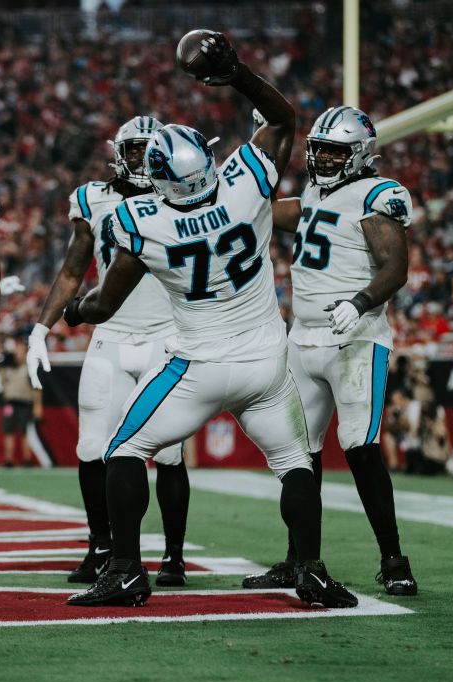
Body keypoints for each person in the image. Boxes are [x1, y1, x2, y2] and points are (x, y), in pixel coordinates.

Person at [64, 31, 356, 609]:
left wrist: (76, 311)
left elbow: (105, 302)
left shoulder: (141, 219)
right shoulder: (246, 186)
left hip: (196, 364)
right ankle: (310, 569)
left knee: (123, 452)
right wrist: (236, 72)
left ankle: (124, 569)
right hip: (266, 362)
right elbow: (284, 118)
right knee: (295, 462)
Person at [246, 104, 418, 596]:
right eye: (317, 148)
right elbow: (263, 212)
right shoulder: (318, 192)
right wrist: (253, 153)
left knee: (361, 449)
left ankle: (393, 559)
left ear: (360, 154)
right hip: (302, 338)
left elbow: (395, 266)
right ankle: (300, 559)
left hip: (355, 337)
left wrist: (361, 301)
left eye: (333, 151)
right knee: (298, 455)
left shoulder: (377, 195)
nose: (321, 158)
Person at [24, 115, 193, 588]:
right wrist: (41, 327)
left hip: (168, 336)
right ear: (118, 153)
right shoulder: (92, 199)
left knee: (170, 455)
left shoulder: (183, 195)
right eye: (135, 150)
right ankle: (101, 546)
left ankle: (173, 556)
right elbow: (75, 267)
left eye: (151, 149)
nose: (143, 159)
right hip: (110, 336)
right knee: (92, 447)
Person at [0, 338, 41, 467]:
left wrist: (37, 406)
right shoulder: (7, 367)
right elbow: (3, 382)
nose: (18, 353)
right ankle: (8, 459)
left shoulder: (29, 368)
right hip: (10, 403)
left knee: (24, 432)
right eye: (17, 351)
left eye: (21, 351)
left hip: (25, 403)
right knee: (8, 431)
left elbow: (37, 389)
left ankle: (27, 459)